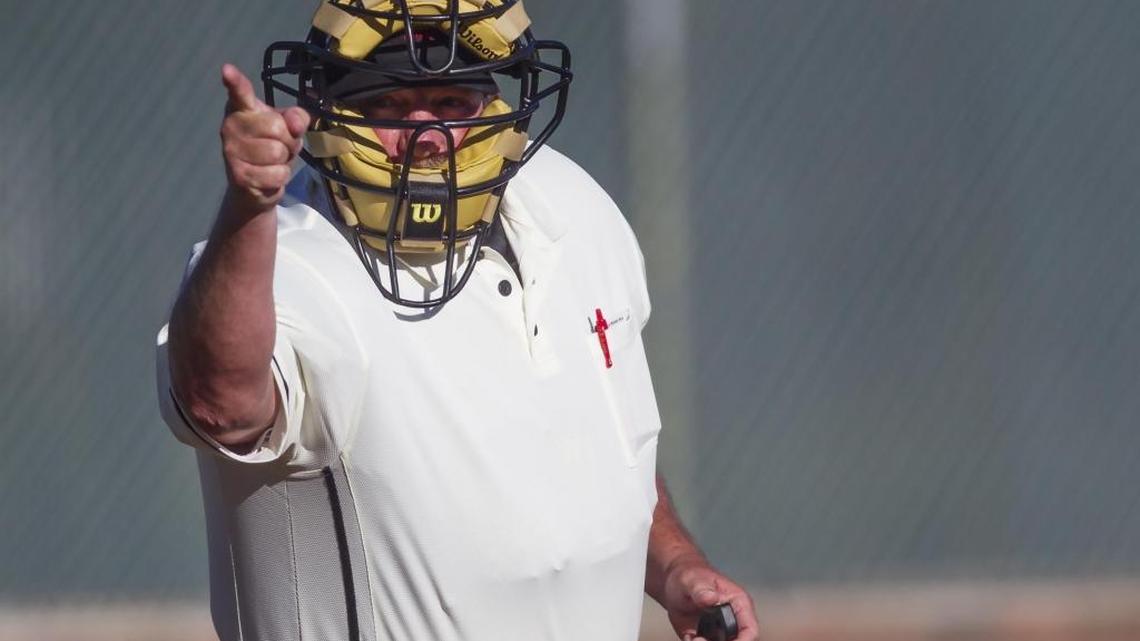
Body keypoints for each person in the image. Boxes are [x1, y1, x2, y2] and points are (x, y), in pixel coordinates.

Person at [155, 2, 759, 640]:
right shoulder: (281, 258)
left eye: (450, 101)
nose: (425, 133)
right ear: (326, 111)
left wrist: (673, 561)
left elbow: (613, 444)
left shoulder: (575, 207)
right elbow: (219, 405)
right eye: (387, 104)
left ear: (495, 104)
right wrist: (248, 208)